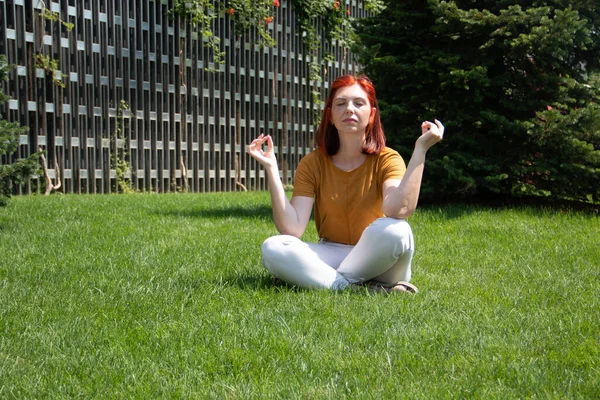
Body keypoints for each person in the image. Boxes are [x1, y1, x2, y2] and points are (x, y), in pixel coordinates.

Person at [247, 74, 444, 293]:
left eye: (358, 103)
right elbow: (292, 229)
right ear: (330, 115)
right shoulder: (313, 163)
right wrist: (271, 168)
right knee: (274, 246)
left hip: (380, 254)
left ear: (371, 115)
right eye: (340, 104)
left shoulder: (388, 158)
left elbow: (398, 210)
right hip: (331, 251)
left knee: (397, 230)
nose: (349, 109)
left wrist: (421, 149)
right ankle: (363, 289)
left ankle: (316, 279)